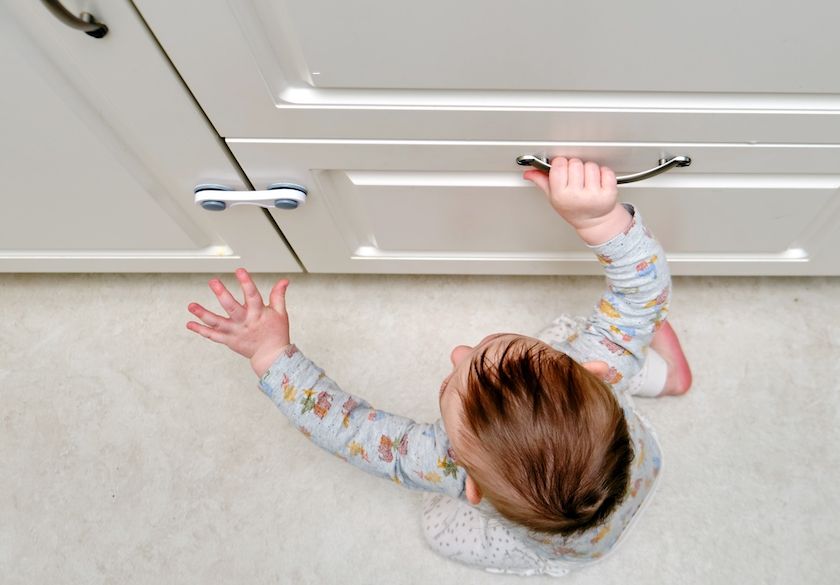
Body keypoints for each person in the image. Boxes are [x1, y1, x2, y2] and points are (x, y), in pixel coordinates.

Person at [185, 157, 692, 576]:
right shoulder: (594, 365)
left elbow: (347, 428)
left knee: (439, 530)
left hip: (569, 549)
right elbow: (641, 288)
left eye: (453, 381)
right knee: (591, 332)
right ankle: (666, 377)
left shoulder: (443, 464)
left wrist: (271, 356)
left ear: (470, 485)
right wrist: (598, 220)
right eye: (481, 351)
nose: (456, 352)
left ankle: (659, 372)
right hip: (638, 468)